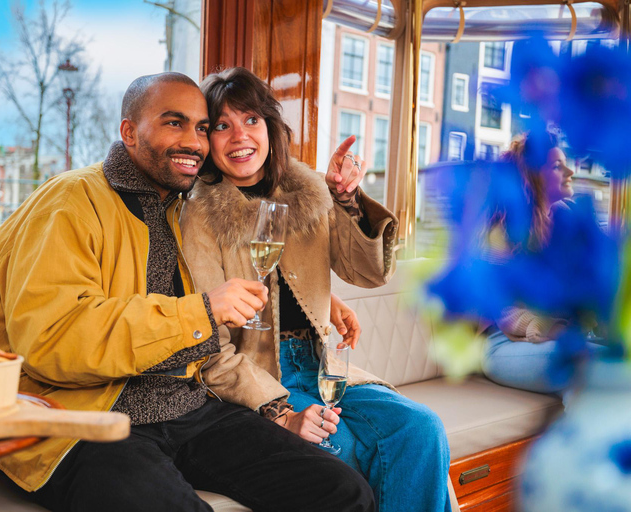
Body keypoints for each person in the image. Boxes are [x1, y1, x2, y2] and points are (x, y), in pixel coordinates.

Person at [0, 72, 376, 512]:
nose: (194, 142)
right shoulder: (68, 202)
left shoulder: (185, 206)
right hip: (83, 417)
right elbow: (52, 339)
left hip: (189, 406)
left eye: (201, 127)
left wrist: (318, 295)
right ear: (128, 132)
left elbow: (262, 263)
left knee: (342, 492)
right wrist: (200, 313)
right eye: (173, 123)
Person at [180, 67, 452, 512]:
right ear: (207, 141)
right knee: (339, 449)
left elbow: (367, 273)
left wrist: (346, 201)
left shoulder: (305, 191)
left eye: (250, 119)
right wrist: (279, 413)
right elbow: (209, 343)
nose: (238, 136)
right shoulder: (200, 216)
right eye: (222, 125)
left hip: (322, 363)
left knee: (422, 428)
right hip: (260, 373)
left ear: (270, 126)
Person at [481, 133, 598, 394]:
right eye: (557, 166)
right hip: (505, 344)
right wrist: (542, 326)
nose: (570, 171)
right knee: (583, 363)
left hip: (560, 337)